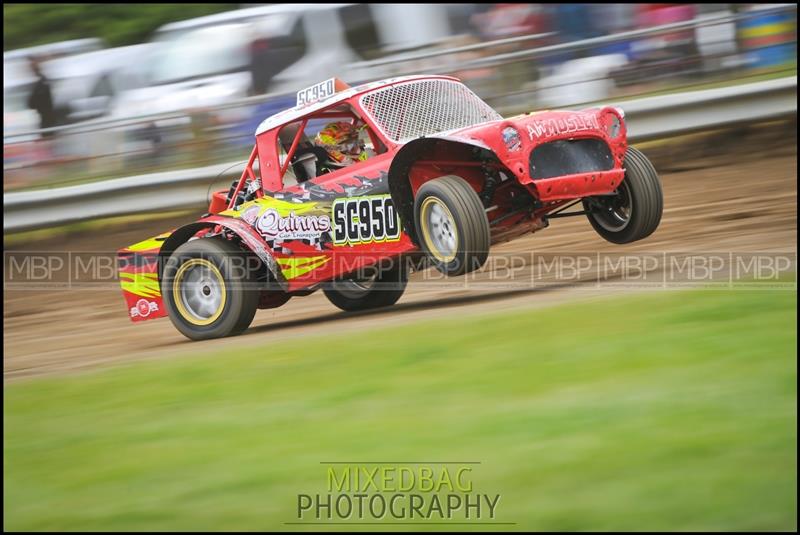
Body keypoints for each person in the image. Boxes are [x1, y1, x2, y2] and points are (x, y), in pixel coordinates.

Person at [26, 57, 57, 137]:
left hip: (47, 119)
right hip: (45, 118)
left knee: (47, 137)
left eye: (33, 66)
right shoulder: (42, 81)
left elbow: (33, 102)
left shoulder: (42, 82)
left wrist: (32, 101)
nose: (31, 68)